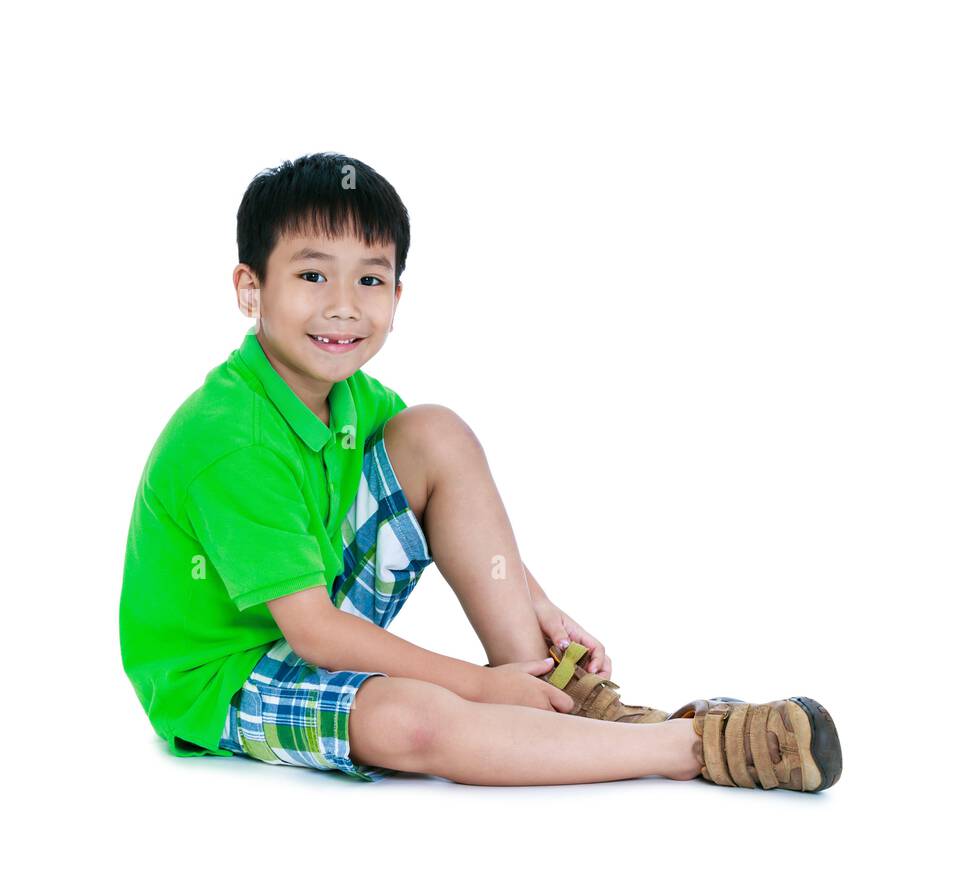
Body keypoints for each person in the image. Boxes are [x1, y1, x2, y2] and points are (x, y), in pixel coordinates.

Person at [118, 151, 841, 792]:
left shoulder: (352, 398)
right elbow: (313, 633)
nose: (342, 306)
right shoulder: (230, 438)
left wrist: (542, 607)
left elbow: (447, 501)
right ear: (250, 289)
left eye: (370, 279)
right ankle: (684, 746)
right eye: (311, 275)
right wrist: (472, 685)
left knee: (436, 434)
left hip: (314, 604)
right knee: (412, 722)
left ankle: (555, 692)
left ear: (397, 298)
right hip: (229, 672)